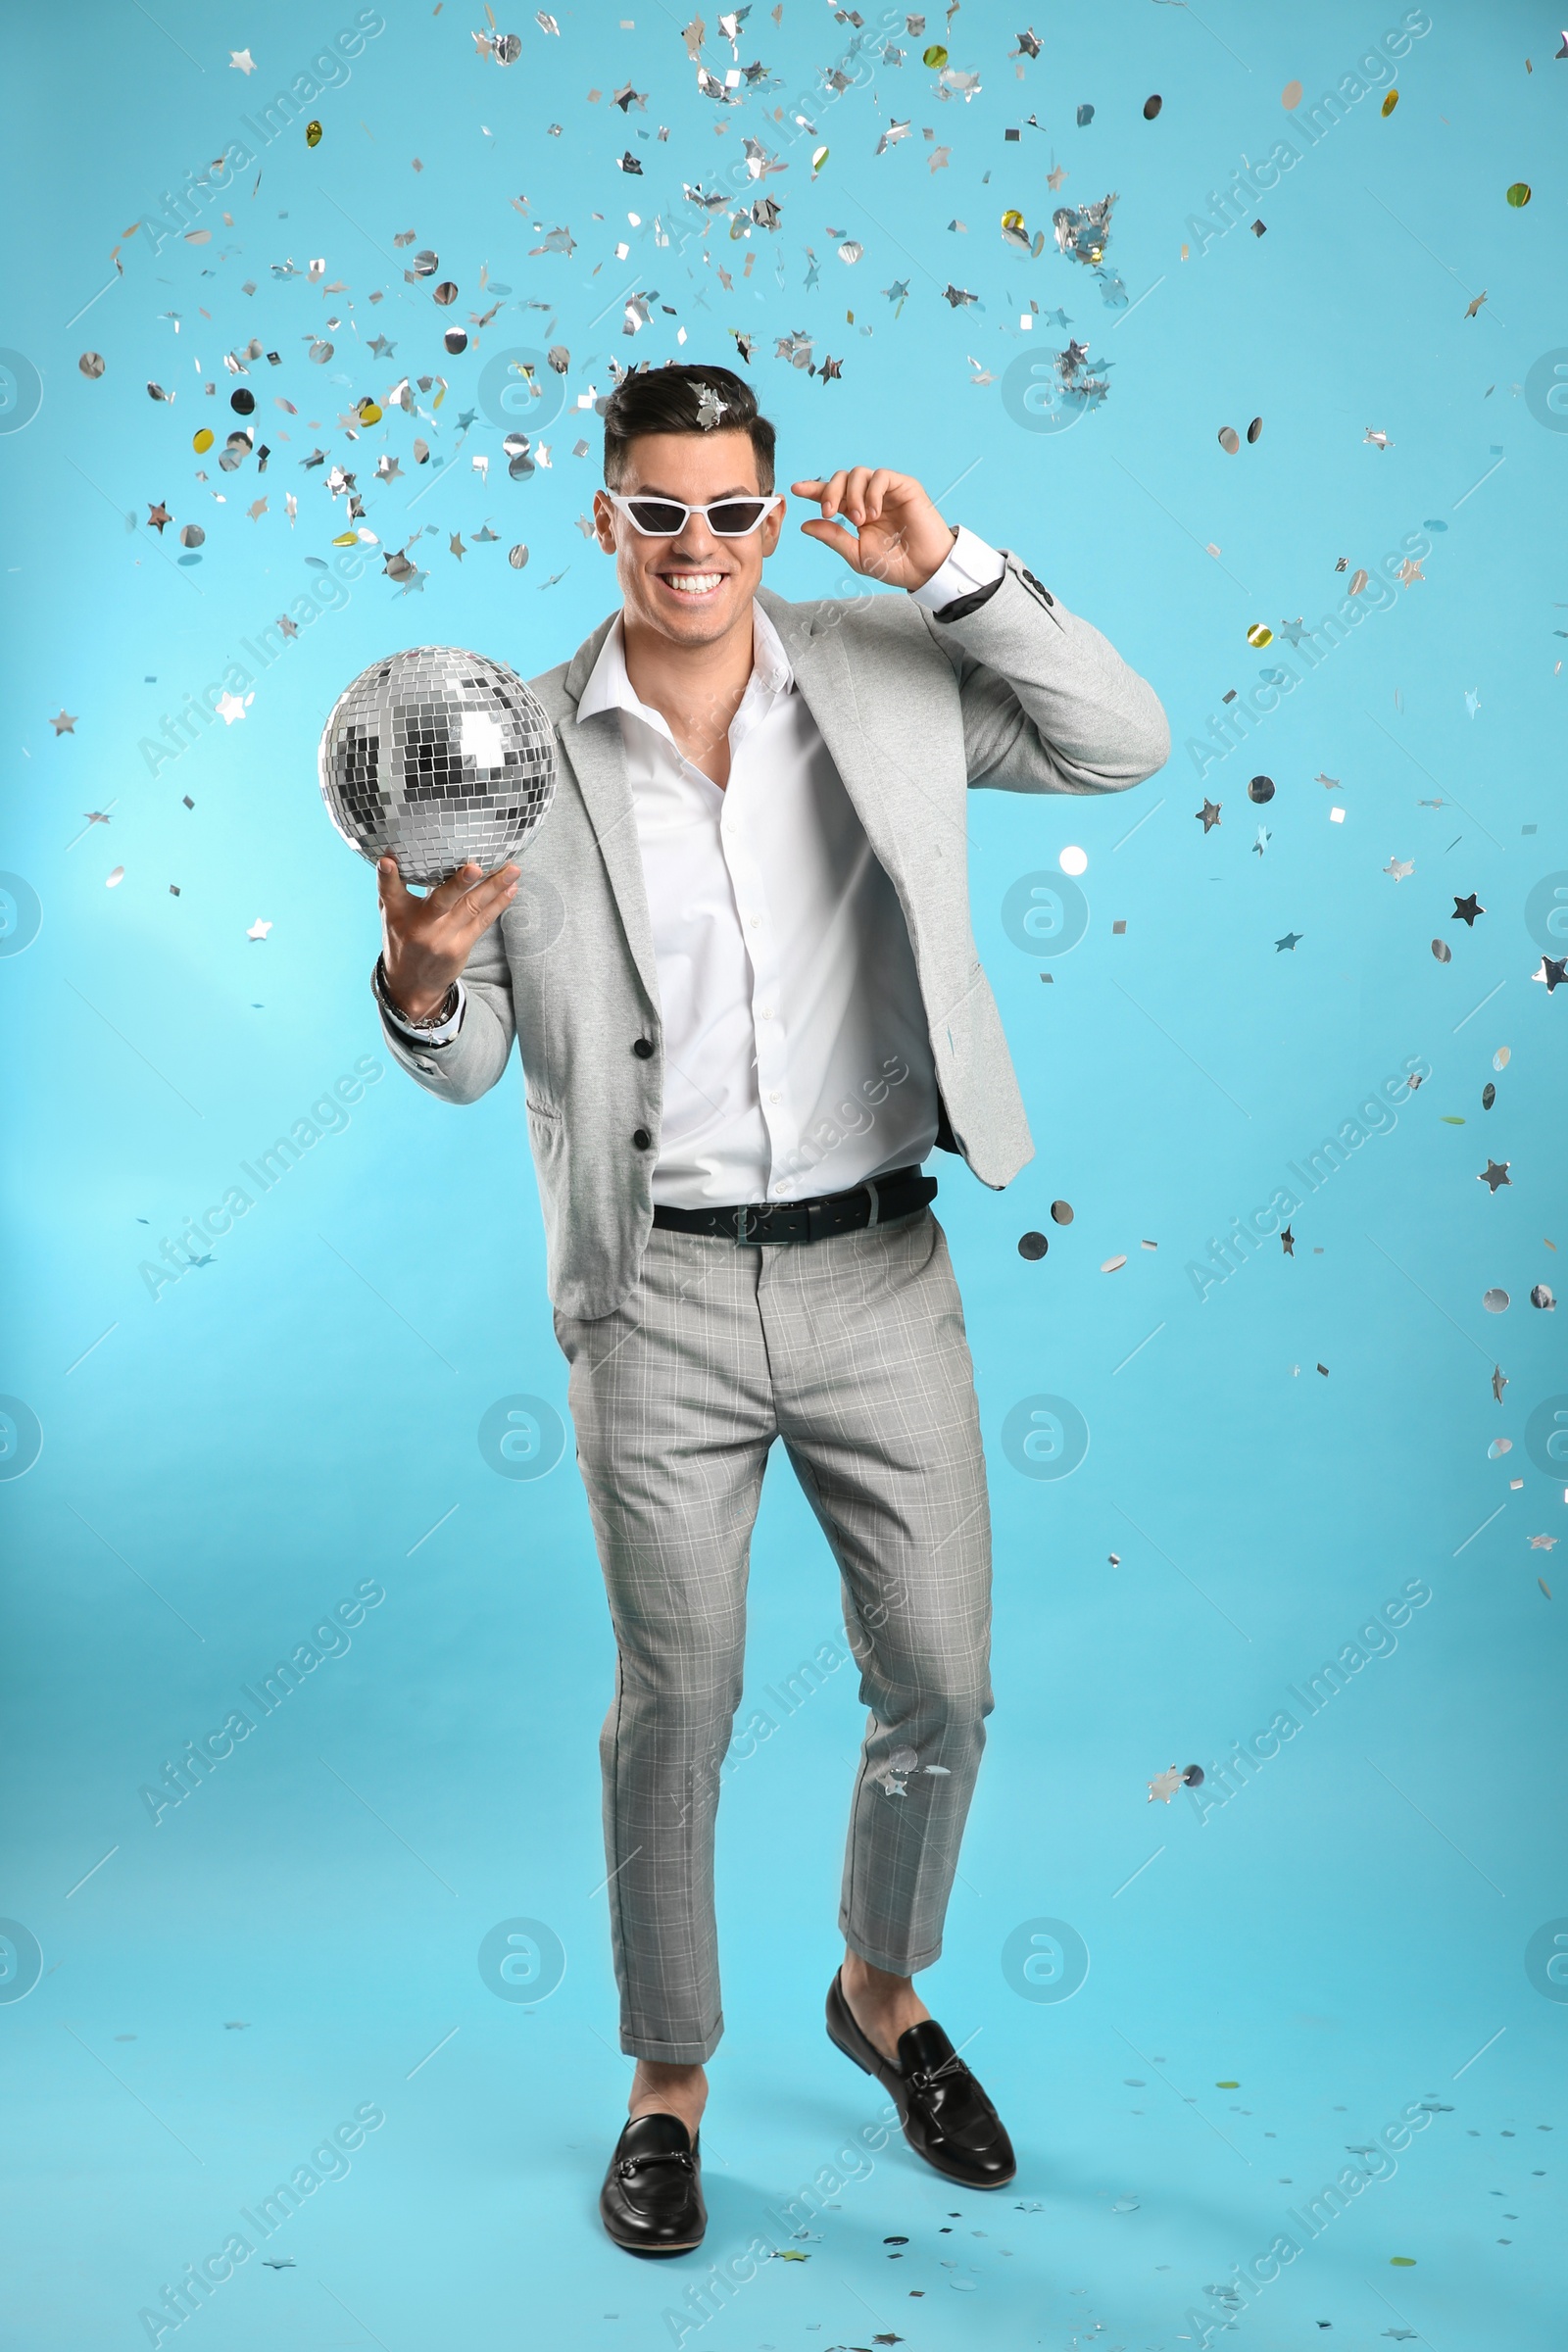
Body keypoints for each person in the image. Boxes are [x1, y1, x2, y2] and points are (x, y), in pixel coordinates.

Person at [372, 362, 1168, 2257]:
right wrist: (417, 976)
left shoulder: (881, 668)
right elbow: (473, 1060)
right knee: (682, 1703)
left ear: (773, 511)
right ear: (607, 522)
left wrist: (953, 566)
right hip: (653, 1298)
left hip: (884, 1264)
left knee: (945, 1681)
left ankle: (880, 1992)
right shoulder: (515, 749)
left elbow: (1123, 741)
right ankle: (669, 2081)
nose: (701, 549)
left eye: (735, 512)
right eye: (661, 513)